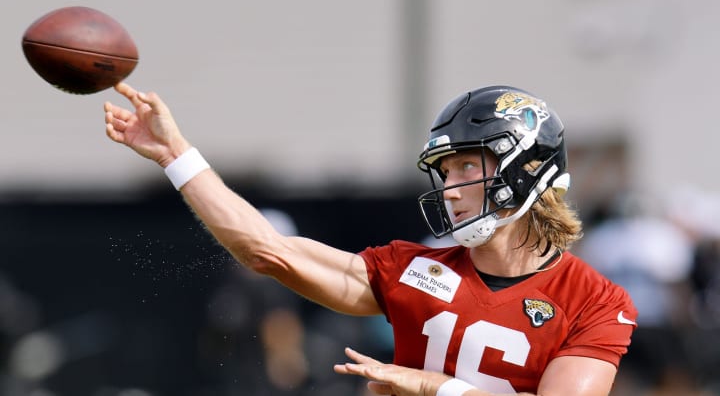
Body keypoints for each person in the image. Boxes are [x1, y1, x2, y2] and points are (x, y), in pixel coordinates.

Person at [104, 83, 637, 396]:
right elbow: (268, 250)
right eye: (444, 173)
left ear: (526, 170)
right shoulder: (415, 269)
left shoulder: (595, 302)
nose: (450, 191)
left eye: (466, 169)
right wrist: (176, 157)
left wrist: (434, 387)